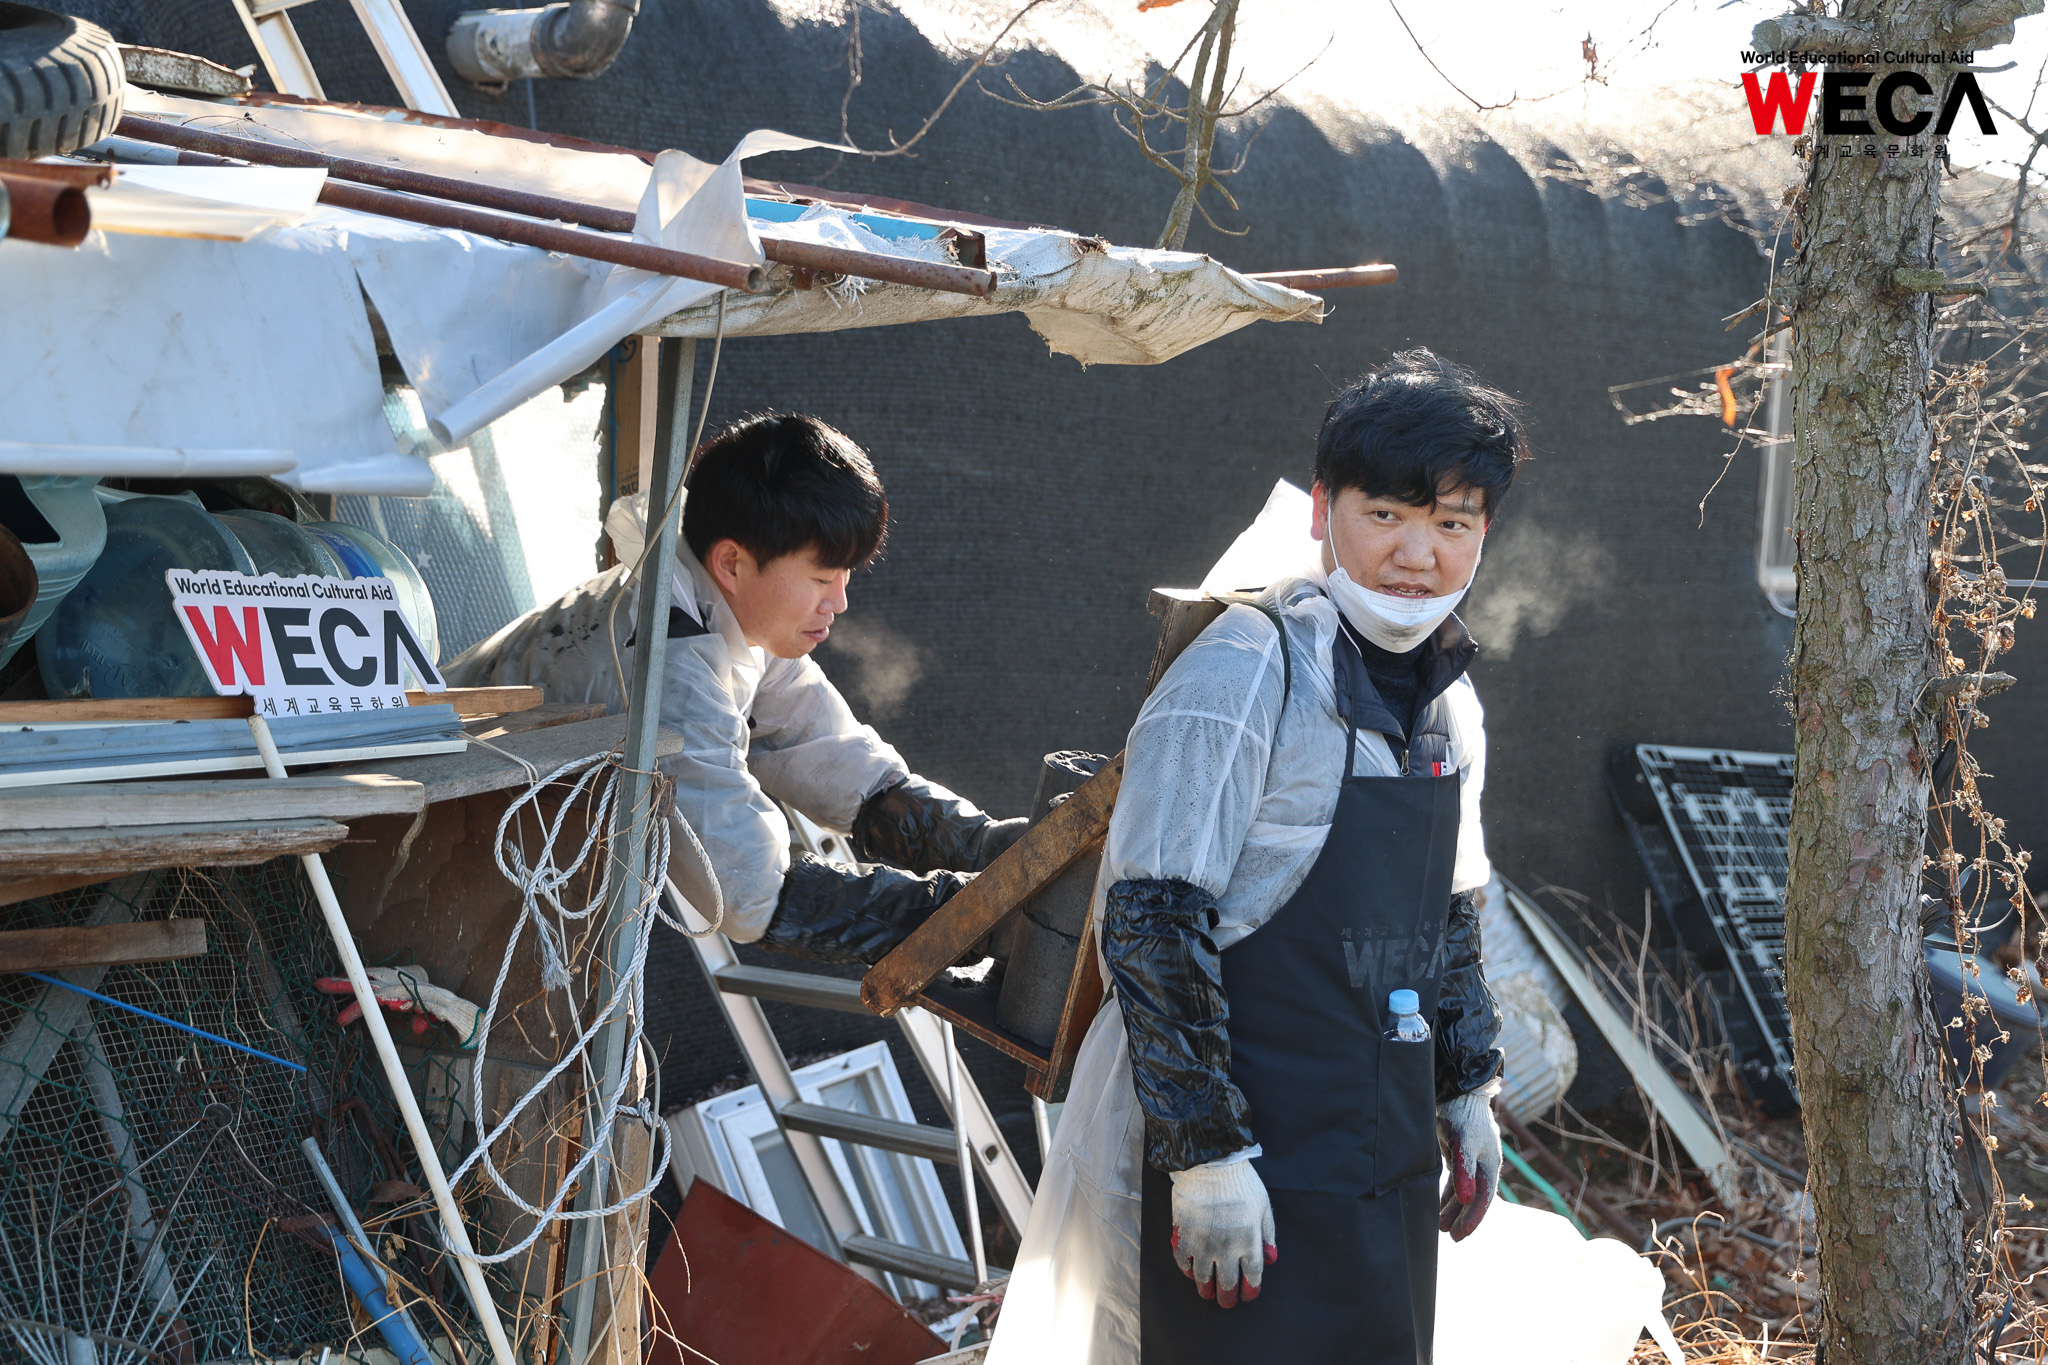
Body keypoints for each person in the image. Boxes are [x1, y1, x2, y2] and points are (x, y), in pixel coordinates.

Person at [987, 349, 1520, 1365]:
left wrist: (1465, 1084)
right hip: (1237, 1168)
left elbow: (1448, 915)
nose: (1417, 553)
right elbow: (1151, 917)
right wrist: (1207, 1157)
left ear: (1482, 533)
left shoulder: (1447, 702)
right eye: (1385, 514)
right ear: (1322, 510)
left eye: (1452, 524)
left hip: (1377, 1158)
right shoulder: (1244, 669)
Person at [444, 411, 1024, 961]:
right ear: (732, 563)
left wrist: (989, 847)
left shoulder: (716, 607)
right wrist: (964, 914)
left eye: (846, 574)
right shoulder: (665, 664)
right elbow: (748, 895)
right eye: (822, 576)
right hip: (451, 868)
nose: (840, 600)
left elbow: (826, 752)